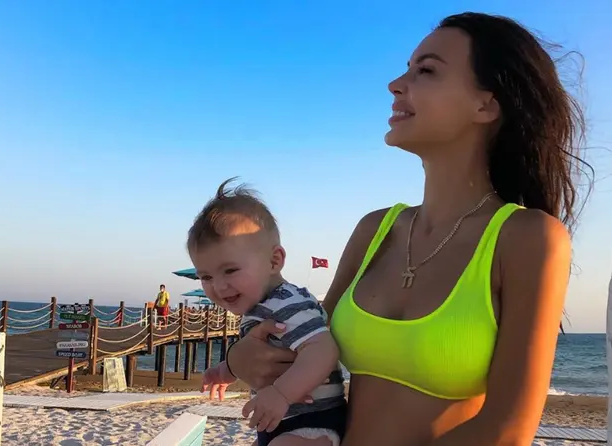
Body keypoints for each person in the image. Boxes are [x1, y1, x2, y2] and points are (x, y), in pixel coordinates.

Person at [222, 12, 593, 446]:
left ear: (485, 105)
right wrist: (240, 357)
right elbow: (306, 343)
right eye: (406, 68)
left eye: (426, 70)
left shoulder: (526, 237)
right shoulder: (375, 230)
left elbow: (507, 430)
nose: (395, 84)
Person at [189, 179, 346, 446]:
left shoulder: (287, 302)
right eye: (206, 277)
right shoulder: (260, 306)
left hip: (313, 419)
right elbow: (263, 353)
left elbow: (323, 350)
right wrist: (224, 371)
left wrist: (282, 394)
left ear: (274, 261)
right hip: (281, 420)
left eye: (230, 270)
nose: (219, 286)